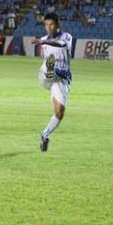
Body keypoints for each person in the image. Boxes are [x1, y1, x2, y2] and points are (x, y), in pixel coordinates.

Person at [31, 13, 72, 152]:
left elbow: (61, 44)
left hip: (61, 79)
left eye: (51, 24)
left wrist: (45, 42)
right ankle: (49, 69)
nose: (48, 27)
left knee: (59, 112)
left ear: (57, 25)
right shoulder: (43, 40)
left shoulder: (66, 37)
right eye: (46, 24)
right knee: (48, 62)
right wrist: (44, 42)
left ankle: (45, 134)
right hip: (46, 76)